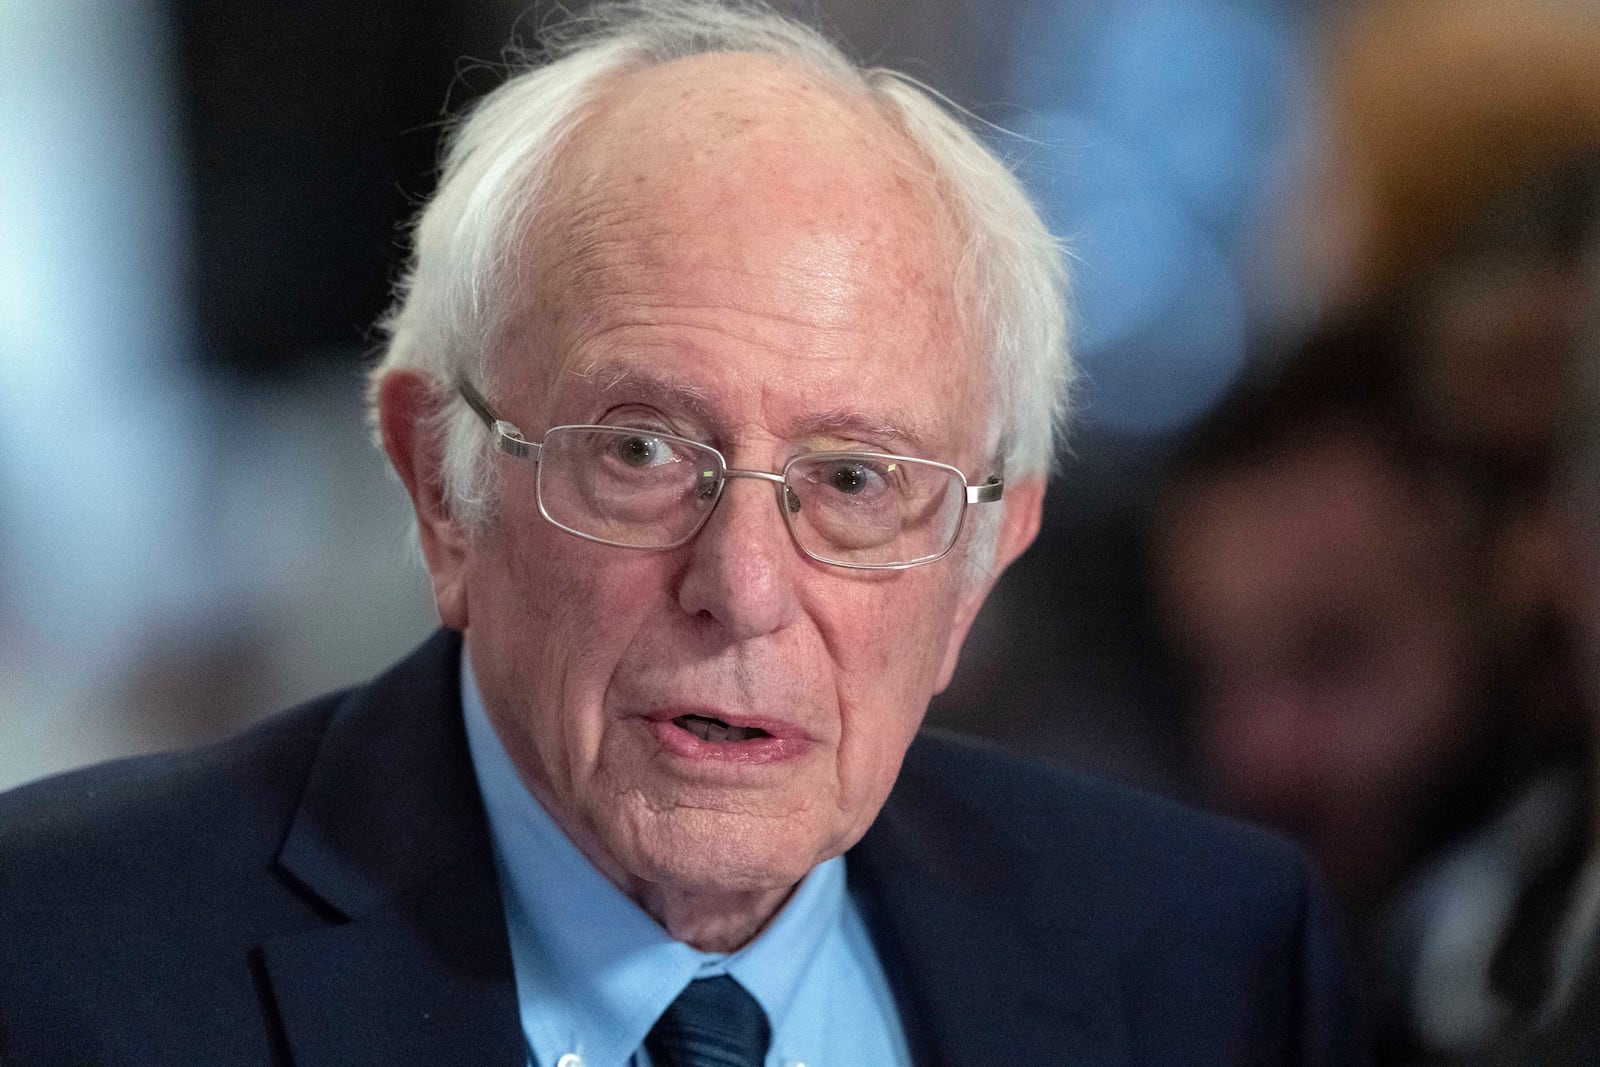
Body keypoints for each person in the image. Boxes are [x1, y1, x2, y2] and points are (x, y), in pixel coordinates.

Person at [0, 3, 1361, 1063]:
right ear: (437, 483)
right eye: (641, 453)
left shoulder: (1211, 958)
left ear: (986, 556)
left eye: (855, 481)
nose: (746, 589)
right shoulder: (57, 958)